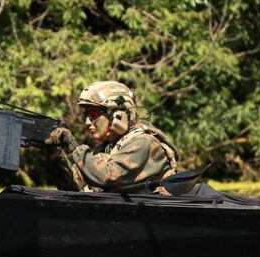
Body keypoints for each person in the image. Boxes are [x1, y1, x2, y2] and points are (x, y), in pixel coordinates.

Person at [44, 80, 179, 192]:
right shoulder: (108, 147)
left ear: (118, 115)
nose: (87, 122)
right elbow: (71, 185)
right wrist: (53, 153)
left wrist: (73, 146)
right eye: (86, 115)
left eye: (93, 116)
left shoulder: (143, 143)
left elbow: (107, 176)